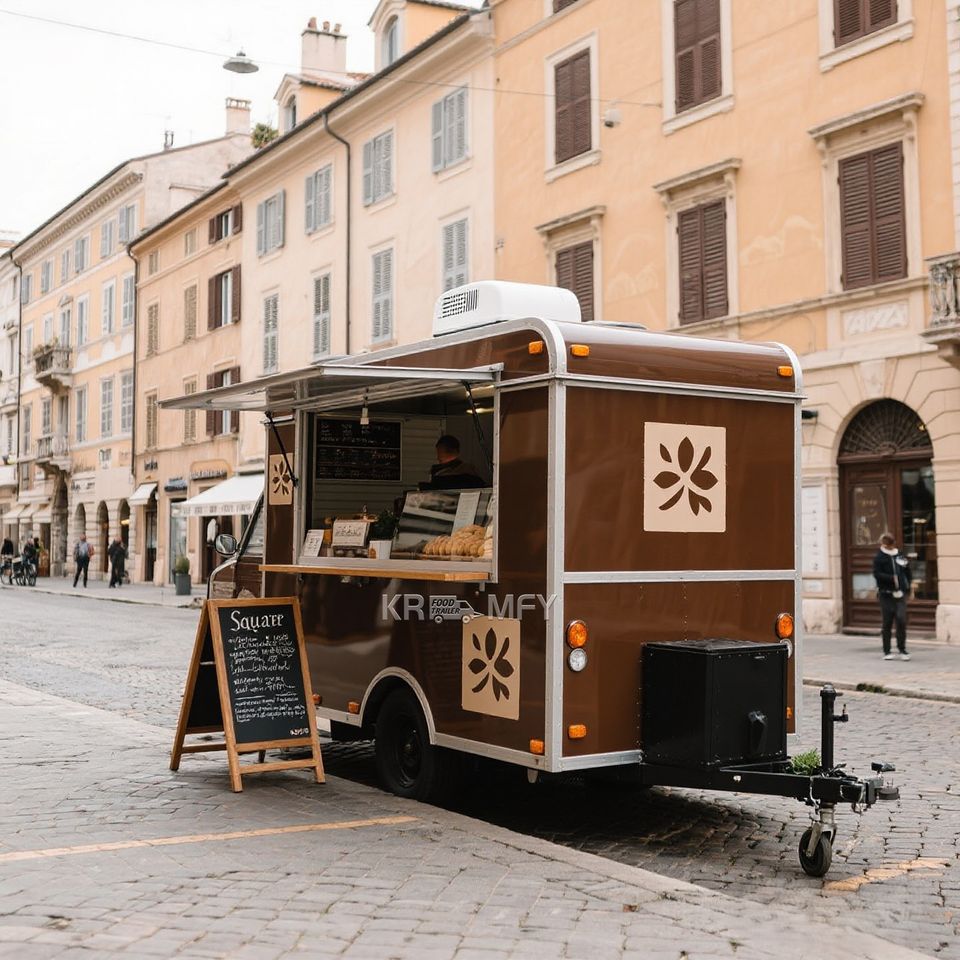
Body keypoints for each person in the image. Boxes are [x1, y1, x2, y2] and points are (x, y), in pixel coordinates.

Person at [873, 532, 912, 661]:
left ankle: (902, 649)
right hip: (886, 593)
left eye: (891, 544)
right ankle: (887, 651)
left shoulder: (898, 555)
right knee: (887, 622)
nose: (890, 547)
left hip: (900, 593)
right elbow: (877, 574)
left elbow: (907, 569)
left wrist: (908, 585)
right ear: (884, 544)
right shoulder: (879, 557)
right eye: (888, 545)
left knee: (901, 620)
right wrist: (891, 578)